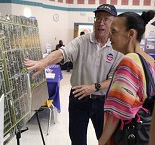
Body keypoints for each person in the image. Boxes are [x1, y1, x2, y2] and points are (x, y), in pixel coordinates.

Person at [24, 4, 123, 145]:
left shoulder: (116, 47)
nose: (101, 23)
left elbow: (114, 79)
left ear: (114, 22)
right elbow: (62, 53)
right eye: (98, 18)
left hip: (103, 101)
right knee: (77, 140)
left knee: (105, 140)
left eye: (106, 19)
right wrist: (43, 63)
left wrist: (94, 87)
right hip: (78, 98)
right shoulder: (82, 41)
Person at [98, 10, 155, 145]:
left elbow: (117, 113)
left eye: (114, 31)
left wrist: (101, 142)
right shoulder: (150, 61)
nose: (109, 36)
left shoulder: (129, 61)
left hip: (127, 136)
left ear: (131, 34)